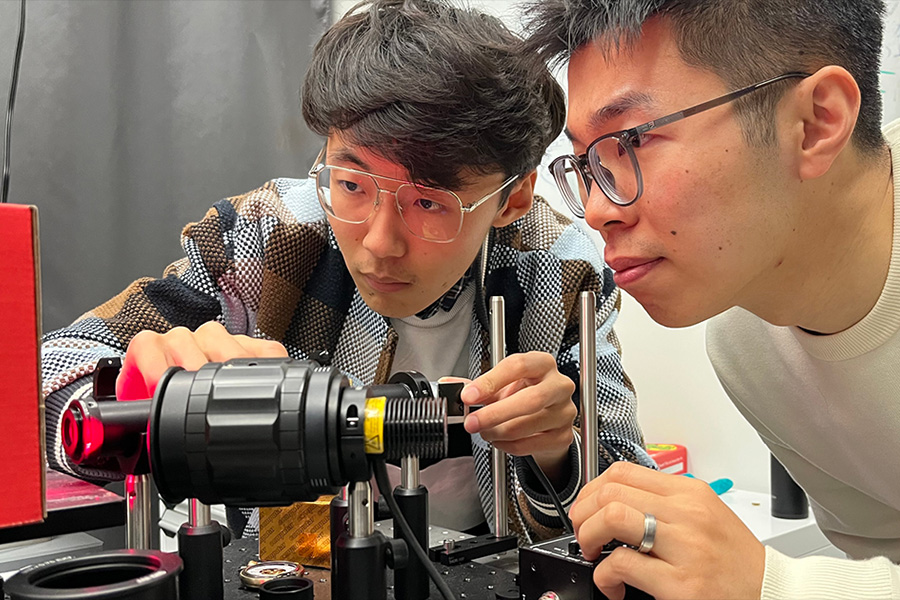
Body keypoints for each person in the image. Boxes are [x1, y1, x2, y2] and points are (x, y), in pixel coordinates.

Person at [41, 0, 654, 543]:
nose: (379, 244)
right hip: (283, 565)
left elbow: (631, 492)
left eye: (429, 202)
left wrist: (557, 457)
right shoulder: (269, 235)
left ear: (512, 198)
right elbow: (43, 371)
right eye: (353, 184)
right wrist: (139, 397)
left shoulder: (561, 268)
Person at [524, 0, 900, 597]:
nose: (595, 211)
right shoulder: (745, 347)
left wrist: (769, 585)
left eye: (634, 140)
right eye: (588, 164)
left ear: (815, 122)